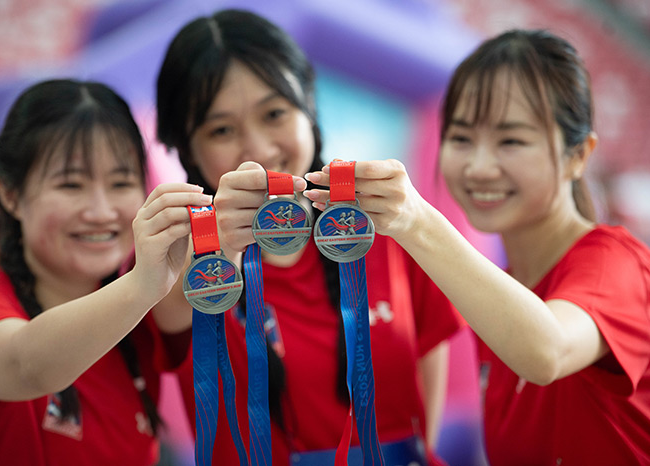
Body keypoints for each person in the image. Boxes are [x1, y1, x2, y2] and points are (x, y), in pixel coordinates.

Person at [304, 29, 650, 465]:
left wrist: (416, 219)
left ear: (579, 154)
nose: (479, 167)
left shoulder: (617, 264)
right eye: (462, 138)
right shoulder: (501, 292)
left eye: (511, 141)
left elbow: (547, 351)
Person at [156, 9, 463, 466]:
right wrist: (218, 246)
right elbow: (169, 312)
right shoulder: (173, 253)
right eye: (221, 129)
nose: (258, 149)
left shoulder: (383, 222)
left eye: (275, 113)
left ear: (310, 110)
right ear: (187, 149)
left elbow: (425, 363)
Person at [0, 79, 213, 465]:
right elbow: (26, 364)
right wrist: (143, 283)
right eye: (71, 184)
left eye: (121, 183)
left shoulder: (144, 319)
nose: (101, 211)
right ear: (9, 194)